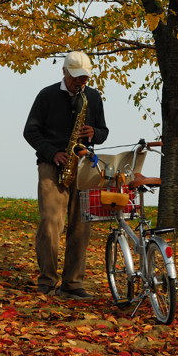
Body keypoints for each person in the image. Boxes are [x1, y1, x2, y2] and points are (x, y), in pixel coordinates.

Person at [23, 51, 109, 298]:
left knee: (82, 227)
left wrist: (95, 133)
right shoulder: (47, 95)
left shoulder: (92, 97)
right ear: (64, 72)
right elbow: (30, 132)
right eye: (76, 79)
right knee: (51, 222)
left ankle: (72, 284)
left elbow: (104, 131)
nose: (81, 83)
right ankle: (47, 281)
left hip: (84, 167)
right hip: (53, 165)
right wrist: (53, 153)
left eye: (84, 79)